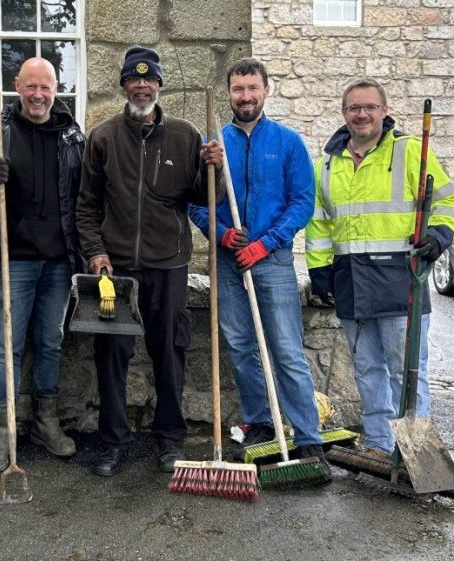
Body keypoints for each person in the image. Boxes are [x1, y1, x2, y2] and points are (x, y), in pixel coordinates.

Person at [76, 45, 223, 477]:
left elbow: (203, 199)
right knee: (112, 354)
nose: (142, 85)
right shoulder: (102, 137)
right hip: (116, 267)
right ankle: (112, 442)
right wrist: (96, 252)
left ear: (159, 84)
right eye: (134, 79)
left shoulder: (186, 135)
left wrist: (213, 170)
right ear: (123, 85)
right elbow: (85, 207)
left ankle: (170, 439)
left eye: (150, 79)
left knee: (169, 351)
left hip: (168, 262)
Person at [305, 78, 454, 458]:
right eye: (354, 108)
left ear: (384, 111)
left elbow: (448, 200)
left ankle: (415, 453)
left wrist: (439, 235)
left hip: (400, 280)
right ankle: (378, 444)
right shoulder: (325, 165)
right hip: (352, 282)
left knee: (406, 374)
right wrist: (320, 270)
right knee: (368, 371)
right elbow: (319, 223)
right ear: (344, 113)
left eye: (370, 107)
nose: (362, 114)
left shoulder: (410, 152)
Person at [188, 58, 328, 472]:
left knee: (285, 348)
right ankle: (261, 423)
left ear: (266, 90)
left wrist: (265, 244)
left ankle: (307, 437)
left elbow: (302, 202)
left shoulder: (287, 143)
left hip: (272, 259)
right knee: (240, 343)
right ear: (228, 92)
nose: (245, 96)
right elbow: (194, 202)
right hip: (229, 260)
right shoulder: (213, 147)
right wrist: (220, 233)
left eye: (252, 88)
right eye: (237, 89)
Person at [0, 57, 86, 473]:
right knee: (7, 347)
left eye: (45, 87)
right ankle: (2, 430)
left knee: (50, 342)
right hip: (14, 259)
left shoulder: (71, 135)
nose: (37, 95)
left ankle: (45, 423)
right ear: (18, 86)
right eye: (30, 86)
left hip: (58, 261)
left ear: (56, 89)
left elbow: (86, 194)